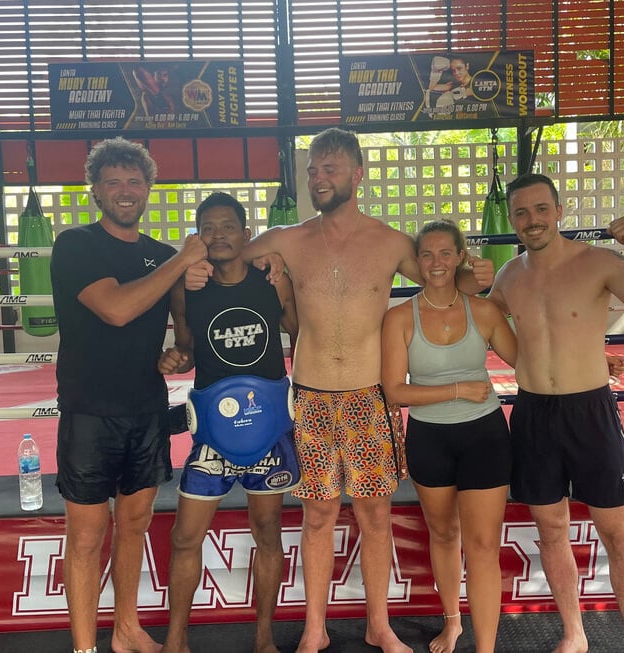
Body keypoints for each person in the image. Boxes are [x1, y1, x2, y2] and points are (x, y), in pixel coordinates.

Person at [188, 127, 493, 653]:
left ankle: (379, 625)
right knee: (318, 514)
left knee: (375, 513)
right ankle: (314, 628)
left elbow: (441, 279)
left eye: (329, 168)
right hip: (308, 397)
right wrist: (193, 270)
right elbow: (224, 253)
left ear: (358, 174)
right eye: (312, 169)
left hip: (367, 397)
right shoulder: (287, 238)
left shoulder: (392, 242)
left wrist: (475, 277)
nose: (317, 178)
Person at [487, 173, 624, 653]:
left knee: (617, 533)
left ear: (558, 209)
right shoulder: (510, 276)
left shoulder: (598, 263)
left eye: (541, 209)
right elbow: (486, 324)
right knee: (551, 531)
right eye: (522, 213)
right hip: (532, 412)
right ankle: (575, 633)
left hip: (590, 410)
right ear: (512, 220)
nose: (532, 220)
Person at [50, 137, 207, 653]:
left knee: (134, 526)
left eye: (134, 182)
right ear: (95, 189)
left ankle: (126, 630)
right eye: (113, 181)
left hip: (145, 408)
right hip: (90, 410)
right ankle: (84, 647)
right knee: (87, 534)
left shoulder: (163, 257)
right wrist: (182, 259)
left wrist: (178, 356)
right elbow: (116, 308)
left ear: (148, 189)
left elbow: (184, 334)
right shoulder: (76, 245)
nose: (124, 191)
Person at [156, 191, 300, 653]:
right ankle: (176, 640)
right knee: (184, 536)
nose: (219, 235)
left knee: (268, 530)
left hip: (269, 428)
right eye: (209, 228)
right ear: (198, 237)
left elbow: (300, 333)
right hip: (214, 436)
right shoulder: (187, 286)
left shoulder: (272, 279)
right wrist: (175, 359)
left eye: (228, 226)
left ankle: (263, 639)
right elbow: (188, 346)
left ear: (245, 233)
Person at [380, 219, 517, 653]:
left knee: (481, 546)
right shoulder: (399, 317)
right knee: (442, 535)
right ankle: (453, 622)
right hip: (429, 438)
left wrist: (592, 359)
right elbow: (394, 391)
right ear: (416, 262)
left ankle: (486, 648)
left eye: (444, 253)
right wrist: (457, 390)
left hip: (485, 436)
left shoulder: (486, 311)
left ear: (460, 256)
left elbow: (529, 361)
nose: (436, 263)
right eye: (426, 254)